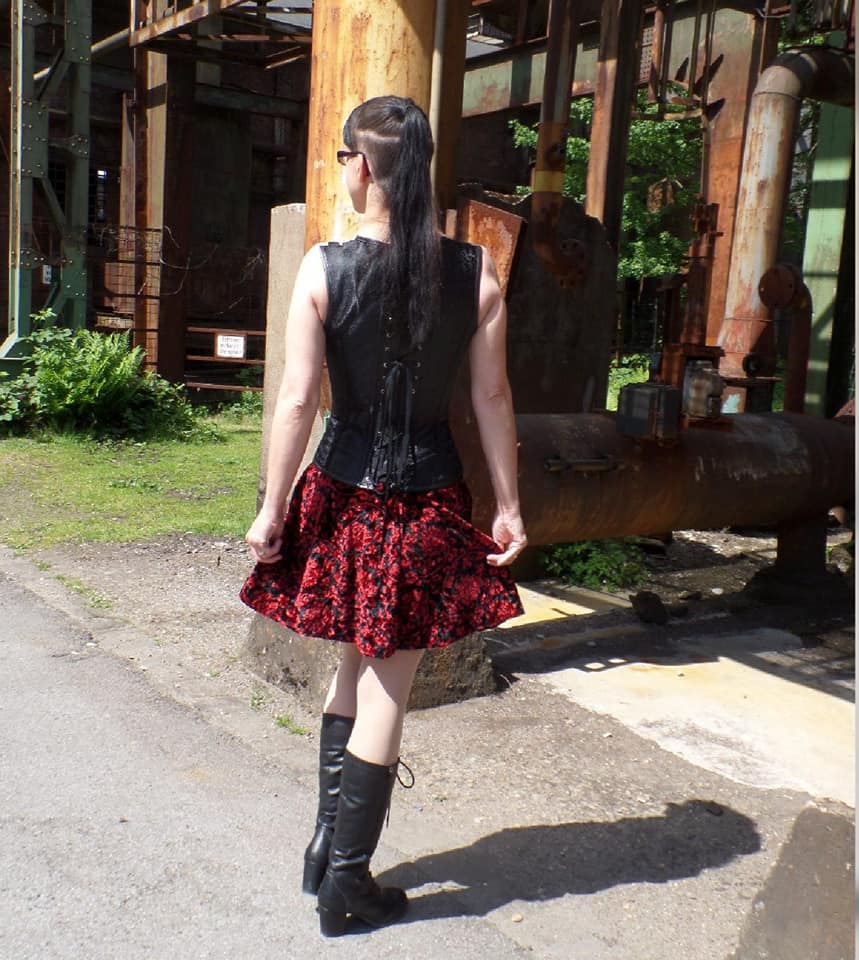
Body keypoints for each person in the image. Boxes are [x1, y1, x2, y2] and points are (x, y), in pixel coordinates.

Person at [241, 95, 527, 937]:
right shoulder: (475, 272)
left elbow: (298, 400)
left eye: (342, 157)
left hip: (339, 494)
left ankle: (326, 856)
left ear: (361, 166)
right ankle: (345, 885)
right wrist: (509, 506)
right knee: (383, 689)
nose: (342, 170)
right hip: (425, 501)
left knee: (354, 675)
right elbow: (491, 397)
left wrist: (272, 508)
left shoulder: (322, 267)